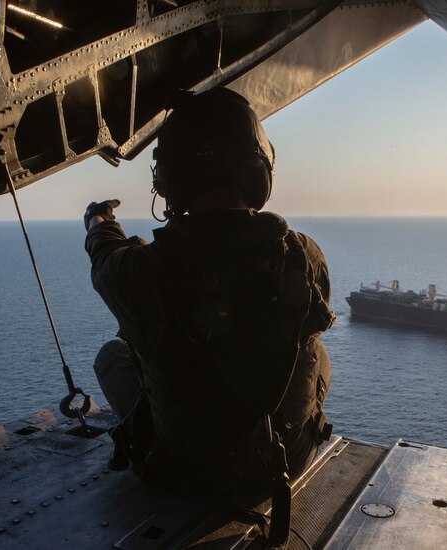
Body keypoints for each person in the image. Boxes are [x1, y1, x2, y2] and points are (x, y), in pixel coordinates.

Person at [83, 87, 335, 502]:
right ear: (259, 174)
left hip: (183, 474)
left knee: (112, 354)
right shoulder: (302, 254)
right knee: (318, 352)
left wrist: (98, 220)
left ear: (171, 180)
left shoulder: (144, 271)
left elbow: (106, 254)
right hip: (286, 463)